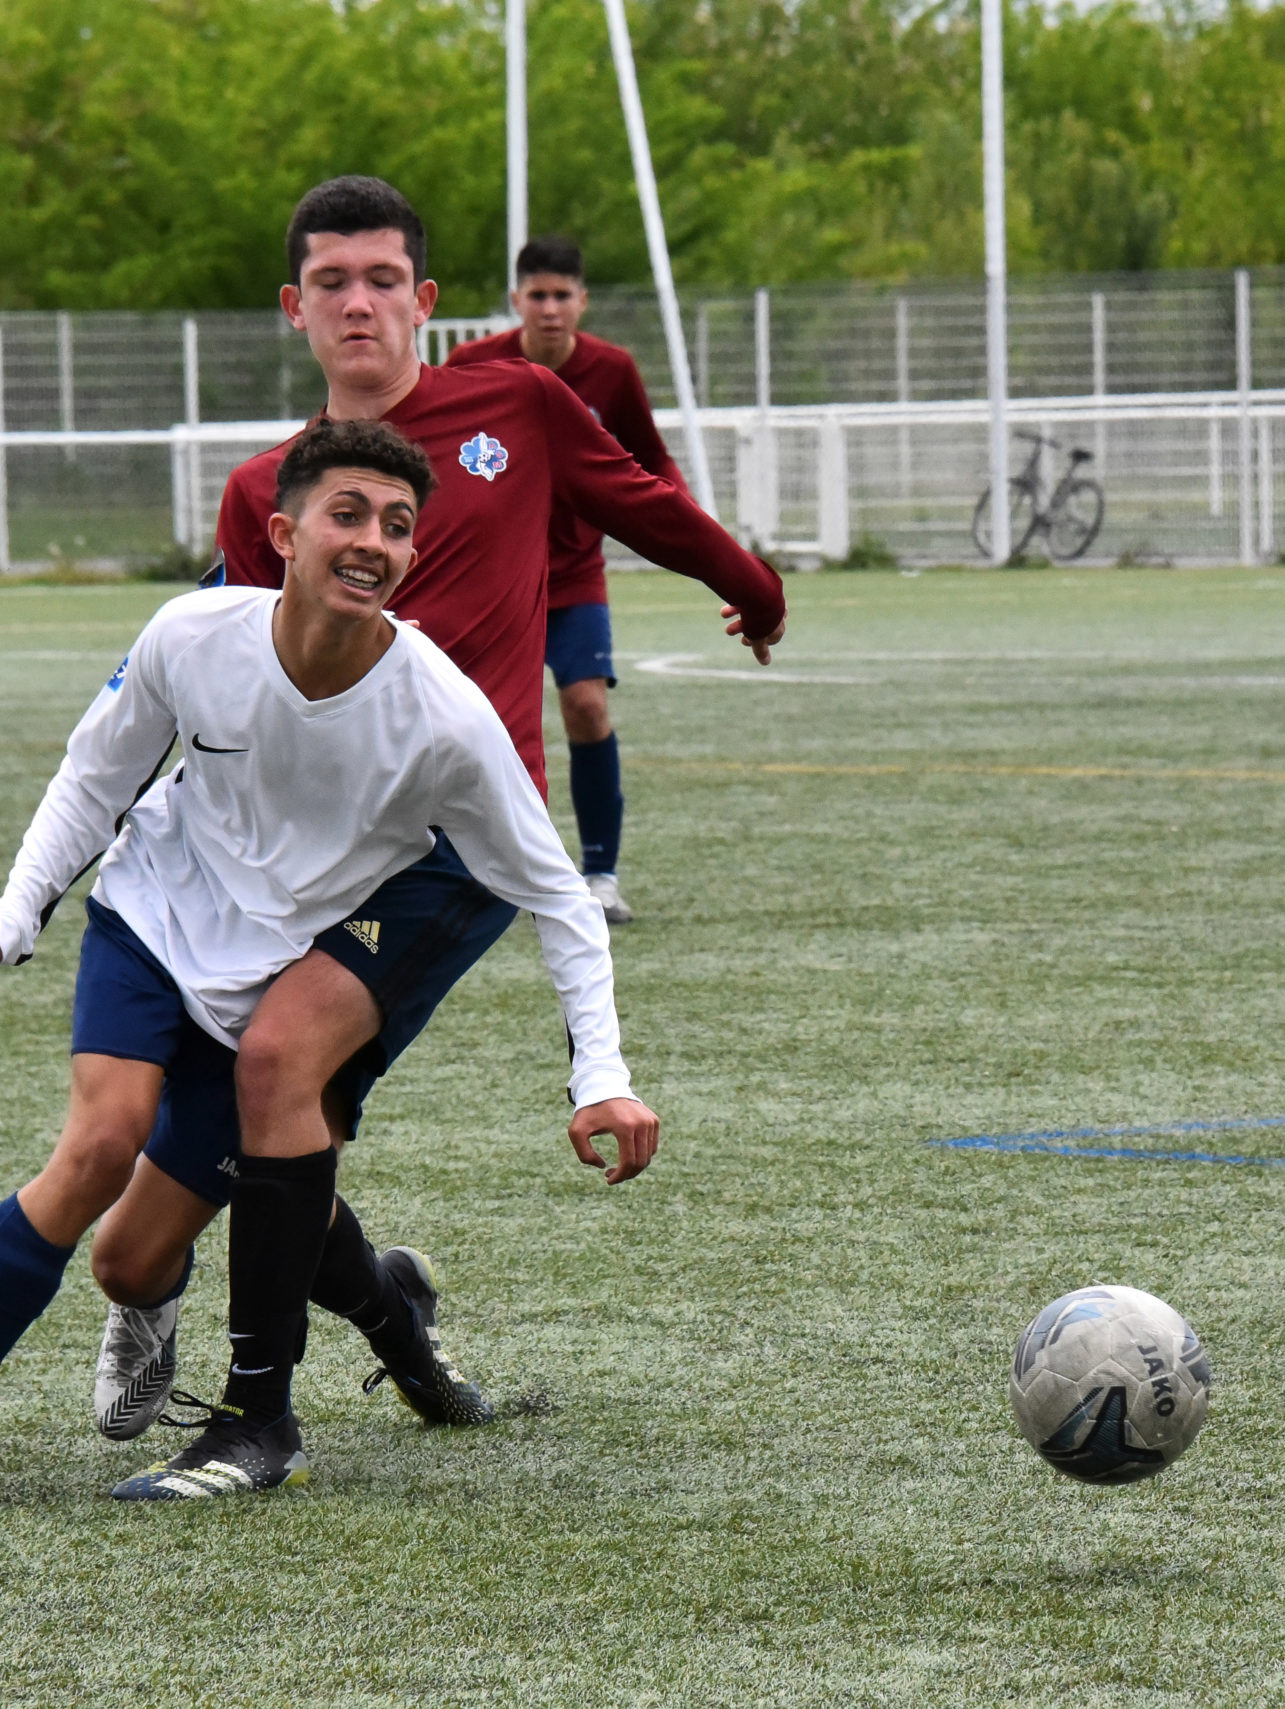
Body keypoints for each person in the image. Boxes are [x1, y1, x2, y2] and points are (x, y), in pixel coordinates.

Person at [79, 177, 783, 1439]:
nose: (360, 303)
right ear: (295, 307)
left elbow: (642, 499)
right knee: (149, 1234)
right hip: (304, 856)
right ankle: (392, 1312)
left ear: (427, 300)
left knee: (277, 1069)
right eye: (333, 282)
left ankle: (257, 1421)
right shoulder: (267, 491)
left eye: (383, 279)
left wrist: (751, 582)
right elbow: (218, 675)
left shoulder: (519, 404)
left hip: (453, 853)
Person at [0, 419, 658, 1506]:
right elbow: (94, 779)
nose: (372, 540)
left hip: (265, 981)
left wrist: (600, 1073)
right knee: (98, 1146)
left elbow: (558, 893)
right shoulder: (191, 635)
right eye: (347, 514)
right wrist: (11, 918)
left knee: (138, 1249)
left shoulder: (443, 718)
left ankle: (363, 1323)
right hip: (149, 919)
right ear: (282, 534)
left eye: (397, 525)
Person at [446, 236, 676, 923]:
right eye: (537, 295)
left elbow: (652, 459)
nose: (550, 308)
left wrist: (693, 532)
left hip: (574, 577)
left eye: (562, 295)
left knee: (586, 706)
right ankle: (472, 867)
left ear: (583, 301)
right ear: (515, 300)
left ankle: (600, 874)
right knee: (470, 723)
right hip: (491, 580)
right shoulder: (472, 367)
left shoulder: (613, 371)